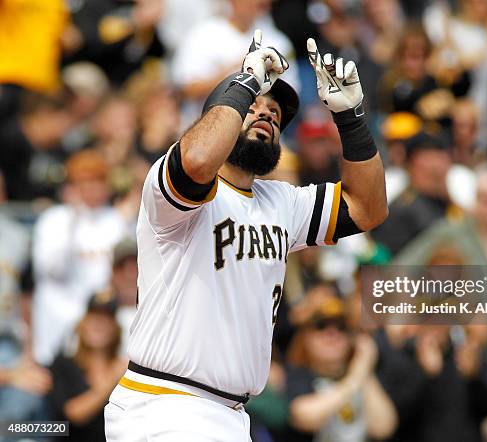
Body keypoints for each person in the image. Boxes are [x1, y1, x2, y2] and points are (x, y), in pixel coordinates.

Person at [104, 30, 387, 441]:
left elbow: (369, 208)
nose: (267, 114)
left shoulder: (282, 202)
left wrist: (351, 118)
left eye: (275, 112)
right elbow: (199, 160)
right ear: (222, 114)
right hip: (163, 403)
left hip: (230, 413)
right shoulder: (175, 180)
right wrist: (244, 82)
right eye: (253, 106)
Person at [31, 149, 127, 365]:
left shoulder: (116, 221)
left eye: (98, 181)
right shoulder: (54, 219)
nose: (93, 189)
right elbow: (51, 268)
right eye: (85, 182)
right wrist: (72, 219)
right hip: (57, 327)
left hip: (100, 333)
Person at [285, 295, 397, 442]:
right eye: (321, 325)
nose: (332, 334)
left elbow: (383, 428)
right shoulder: (297, 376)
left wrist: (363, 365)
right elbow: (304, 417)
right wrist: (356, 377)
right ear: (305, 337)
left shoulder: (364, 375)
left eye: (341, 327)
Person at [48, 292, 126, 442]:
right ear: (82, 323)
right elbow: (74, 413)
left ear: (116, 328)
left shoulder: (125, 368)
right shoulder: (63, 364)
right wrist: (112, 378)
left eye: (107, 319)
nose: (99, 324)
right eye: (93, 317)